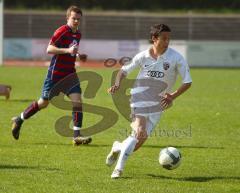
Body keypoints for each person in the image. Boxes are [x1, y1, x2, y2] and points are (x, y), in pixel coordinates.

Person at [106, 24, 192, 178]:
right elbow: (123, 71)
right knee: (140, 131)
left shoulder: (176, 58)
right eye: (164, 38)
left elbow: (187, 82)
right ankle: (118, 169)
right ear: (154, 38)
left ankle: (118, 146)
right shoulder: (143, 56)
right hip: (139, 98)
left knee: (138, 142)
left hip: (158, 104)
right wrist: (117, 84)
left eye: (169, 39)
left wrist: (172, 95)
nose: (167, 42)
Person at [11, 5, 92, 145]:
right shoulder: (62, 31)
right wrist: (68, 50)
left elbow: (71, 51)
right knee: (44, 103)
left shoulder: (78, 34)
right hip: (55, 74)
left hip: (70, 74)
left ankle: (76, 136)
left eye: (79, 19)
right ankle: (19, 119)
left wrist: (79, 56)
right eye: (74, 18)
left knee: (77, 102)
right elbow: (49, 49)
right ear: (68, 18)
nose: (76, 21)